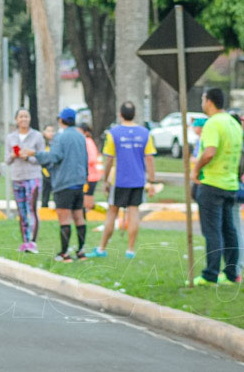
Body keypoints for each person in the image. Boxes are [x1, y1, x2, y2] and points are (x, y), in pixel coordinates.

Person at [85, 102, 157, 259]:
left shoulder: (113, 133)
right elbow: (149, 159)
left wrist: (105, 180)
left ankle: (102, 248)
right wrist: (152, 181)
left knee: (112, 213)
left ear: (120, 114)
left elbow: (109, 159)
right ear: (135, 114)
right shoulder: (145, 133)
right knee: (134, 213)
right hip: (138, 180)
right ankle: (130, 250)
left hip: (119, 180)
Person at [191, 88, 243, 286]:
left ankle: (210, 274)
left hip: (212, 183)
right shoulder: (233, 123)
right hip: (230, 183)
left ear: (209, 101)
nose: (202, 103)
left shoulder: (213, 123)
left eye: (203, 99)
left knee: (212, 231)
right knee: (229, 230)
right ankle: (231, 274)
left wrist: (196, 171)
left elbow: (209, 152)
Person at [27, 108, 89, 262]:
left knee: (64, 219)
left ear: (61, 120)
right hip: (79, 183)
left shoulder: (60, 137)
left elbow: (54, 156)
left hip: (64, 183)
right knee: (79, 217)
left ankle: (64, 253)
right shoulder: (81, 137)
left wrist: (34, 154)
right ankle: (81, 251)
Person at [5, 108, 47, 253]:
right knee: (21, 212)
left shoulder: (37, 136)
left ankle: (33, 242)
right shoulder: (11, 137)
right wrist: (13, 155)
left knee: (32, 209)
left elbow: (42, 157)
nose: (23, 119)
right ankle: (25, 241)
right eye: (21, 117)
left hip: (33, 177)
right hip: (17, 177)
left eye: (26, 116)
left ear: (30, 119)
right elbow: (6, 160)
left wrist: (28, 157)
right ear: (16, 119)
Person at [79, 121, 104, 212]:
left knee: (87, 200)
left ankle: (91, 215)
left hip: (90, 176)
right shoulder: (88, 141)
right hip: (90, 175)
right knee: (87, 198)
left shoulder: (87, 142)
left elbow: (92, 158)